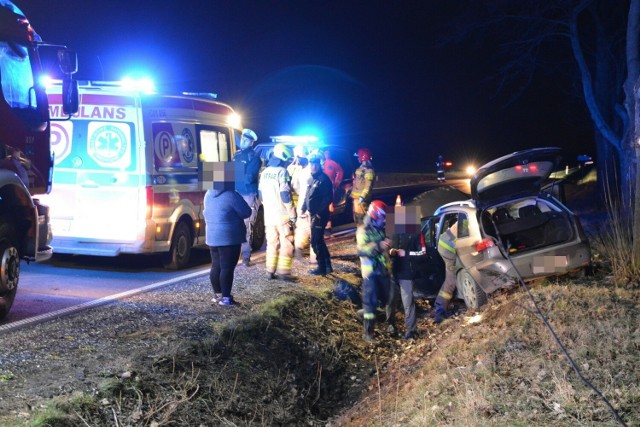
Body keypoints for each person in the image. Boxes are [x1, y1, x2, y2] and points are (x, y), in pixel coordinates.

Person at [203, 162, 252, 306]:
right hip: (229, 238)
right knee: (227, 268)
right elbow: (246, 212)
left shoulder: (208, 194)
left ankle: (217, 296)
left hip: (212, 236)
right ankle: (226, 299)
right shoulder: (231, 195)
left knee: (216, 265)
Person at [258, 143, 297, 281]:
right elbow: (285, 194)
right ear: (284, 157)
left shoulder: (265, 172)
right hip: (283, 216)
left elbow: (260, 195)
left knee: (271, 243)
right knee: (286, 243)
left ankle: (270, 271)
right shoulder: (283, 172)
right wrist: (292, 214)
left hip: (269, 216)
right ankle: (284, 272)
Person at [356, 200, 391, 343]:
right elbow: (361, 250)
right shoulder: (363, 230)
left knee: (385, 299)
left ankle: (363, 312)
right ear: (375, 215)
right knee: (370, 304)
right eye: (383, 217)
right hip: (370, 273)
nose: (384, 221)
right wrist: (378, 245)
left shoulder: (380, 229)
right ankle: (368, 334)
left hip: (382, 270)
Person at [387, 205, 423, 339]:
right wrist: (390, 252)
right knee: (390, 301)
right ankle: (391, 326)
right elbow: (386, 247)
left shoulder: (415, 234)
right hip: (392, 271)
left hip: (406, 272)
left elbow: (422, 252)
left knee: (407, 302)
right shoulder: (392, 232)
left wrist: (406, 253)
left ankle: (411, 330)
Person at [233, 128, 262, 267]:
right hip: (235, 193)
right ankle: (234, 256)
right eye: (243, 138)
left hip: (248, 195)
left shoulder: (254, 157)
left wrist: (228, 175)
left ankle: (245, 257)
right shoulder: (236, 155)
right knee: (232, 224)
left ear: (251, 142)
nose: (243, 141)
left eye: (246, 139)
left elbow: (249, 178)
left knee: (245, 226)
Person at [302, 153, 334, 276]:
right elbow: (307, 195)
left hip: (320, 215)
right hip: (313, 214)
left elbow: (327, 199)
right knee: (318, 241)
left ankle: (321, 267)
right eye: (311, 164)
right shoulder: (311, 178)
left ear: (319, 165)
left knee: (315, 241)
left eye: (315, 164)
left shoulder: (324, 180)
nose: (313, 166)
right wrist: (303, 208)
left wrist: (318, 213)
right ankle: (326, 266)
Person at [288, 145, 313, 260]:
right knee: (314, 231)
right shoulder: (314, 170)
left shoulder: (298, 171)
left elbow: (294, 187)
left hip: (302, 204)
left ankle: (298, 254)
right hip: (313, 205)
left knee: (301, 230)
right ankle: (314, 259)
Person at [434, 218, 458, 323]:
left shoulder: (470, 217)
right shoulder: (471, 220)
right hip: (447, 248)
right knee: (451, 281)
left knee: (450, 279)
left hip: (446, 243)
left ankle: (439, 304)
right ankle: (440, 310)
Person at [351, 148, 376, 226]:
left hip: (361, 199)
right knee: (357, 217)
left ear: (362, 157)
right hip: (356, 198)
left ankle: (364, 234)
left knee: (362, 218)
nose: (358, 158)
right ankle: (360, 234)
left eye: (358, 157)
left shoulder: (369, 171)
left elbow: (368, 186)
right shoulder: (361, 168)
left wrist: (363, 197)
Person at [322, 148, 344, 236]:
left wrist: (336, 183)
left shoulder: (333, 163)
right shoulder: (320, 163)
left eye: (328, 153)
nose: (327, 154)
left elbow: (340, 172)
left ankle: (327, 228)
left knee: (328, 207)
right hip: (319, 189)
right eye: (325, 152)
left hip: (329, 188)